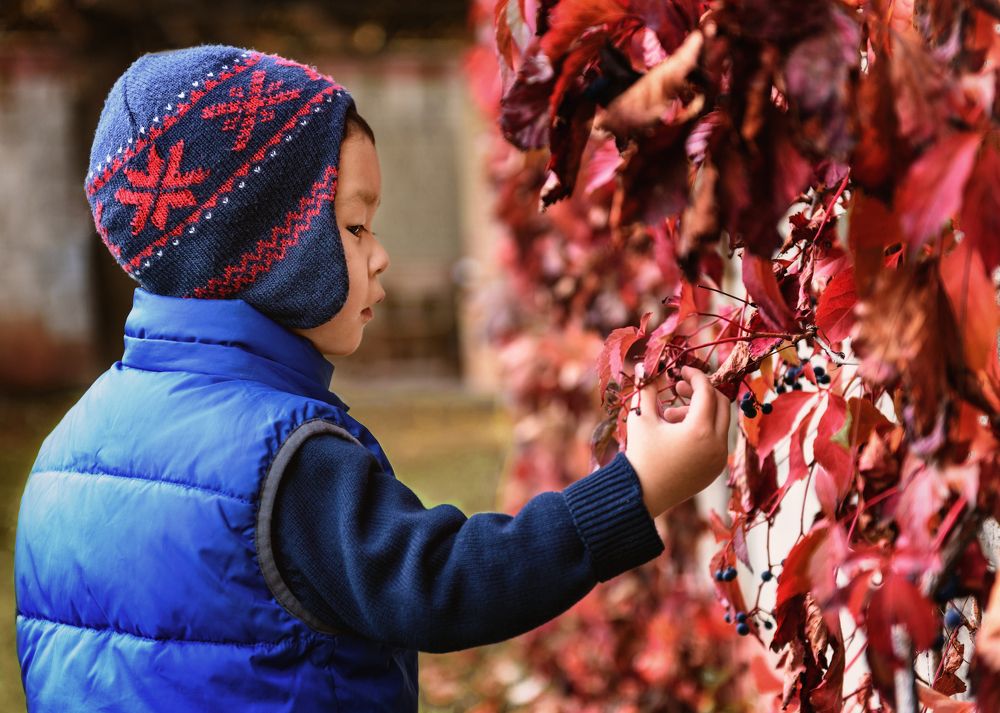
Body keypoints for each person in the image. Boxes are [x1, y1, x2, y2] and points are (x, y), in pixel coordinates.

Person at [13, 44, 732, 712]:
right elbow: (446, 585)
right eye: (356, 228)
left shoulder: (59, 459)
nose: (381, 256)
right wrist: (638, 487)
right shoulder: (280, 464)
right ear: (268, 251)